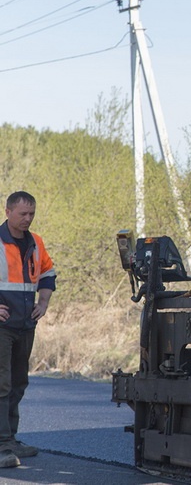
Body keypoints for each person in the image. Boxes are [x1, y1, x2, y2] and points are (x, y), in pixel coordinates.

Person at [0, 191, 56, 467]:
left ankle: (9, 439)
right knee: (2, 384)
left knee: (19, 383)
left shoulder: (36, 243)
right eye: (22, 213)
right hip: (2, 327)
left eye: (31, 214)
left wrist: (43, 301)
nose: (28, 219)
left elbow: (47, 273)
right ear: (7, 211)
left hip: (25, 325)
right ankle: (1, 445)